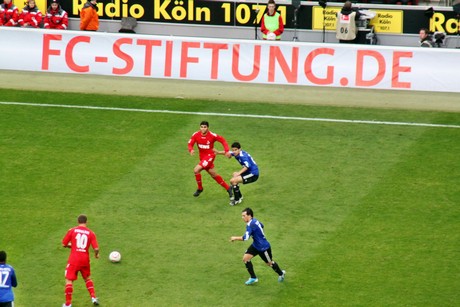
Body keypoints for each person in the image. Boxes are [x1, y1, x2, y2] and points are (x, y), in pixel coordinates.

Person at [230, 208, 285, 285]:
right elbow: (262, 225)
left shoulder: (250, 225)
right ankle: (253, 278)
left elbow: (245, 238)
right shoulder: (255, 220)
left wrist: (235, 238)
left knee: (269, 263)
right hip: (256, 245)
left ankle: (281, 273)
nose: (242, 218)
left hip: (264, 248)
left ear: (249, 215)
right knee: (245, 259)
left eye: (244, 216)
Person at [188, 121, 234, 202]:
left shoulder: (212, 135)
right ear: (199, 127)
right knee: (213, 174)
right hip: (202, 158)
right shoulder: (196, 134)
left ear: (208, 128)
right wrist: (191, 149)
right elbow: (190, 143)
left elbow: (223, 140)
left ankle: (200, 188)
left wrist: (226, 150)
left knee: (196, 170)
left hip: (210, 156)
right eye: (201, 127)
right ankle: (228, 188)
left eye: (204, 127)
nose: (203, 128)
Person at [62, 214, 100, 307]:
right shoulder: (91, 233)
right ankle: (93, 297)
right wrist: (96, 254)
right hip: (85, 260)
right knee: (87, 278)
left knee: (69, 280)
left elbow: (64, 244)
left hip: (74, 259)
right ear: (86, 222)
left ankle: (68, 304)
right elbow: (96, 248)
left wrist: (73, 246)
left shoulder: (72, 230)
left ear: (78, 221)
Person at [215, 142, 259, 206]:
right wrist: (218, 152)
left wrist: (238, 173)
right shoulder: (237, 153)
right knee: (233, 180)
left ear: (239, 149)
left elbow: (247, 166)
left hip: (253, 174)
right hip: (248, 172)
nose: (234, 152)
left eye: (235, 150)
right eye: (233, 150)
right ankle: (239, 197)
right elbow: (228, 153)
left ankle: (237, 200)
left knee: (233, 180)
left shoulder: (243, 156)